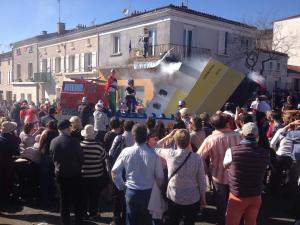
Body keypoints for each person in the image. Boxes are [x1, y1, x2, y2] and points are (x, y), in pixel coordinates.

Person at [111, 123, 164, 225]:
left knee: (131, 221)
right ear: (146, 136)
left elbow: (114, 171)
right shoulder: (154, 154)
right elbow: (160, 177)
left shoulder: (126, 151)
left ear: (133, 136)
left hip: (131, 192)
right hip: (149, 193)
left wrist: (122, 186)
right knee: (147, 221)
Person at [156, 129, 207, 225]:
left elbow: (154, 147)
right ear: (189, 141)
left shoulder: (170, 154)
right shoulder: (196, 158)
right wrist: (203, 196)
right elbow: (201, 179)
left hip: (174, 196)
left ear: (176, 141)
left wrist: (168, 136)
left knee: (173, 221)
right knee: (189, 222)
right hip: (192, 197)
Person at [197, 113, 241, 225]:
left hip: (218, 175)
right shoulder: (237, 135)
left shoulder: (211, 139)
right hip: (236, 175)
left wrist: (206, 169)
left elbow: (198, 157)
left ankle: (223, 221)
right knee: (235, 201)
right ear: (226, 122)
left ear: (212, 125)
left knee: (221, 203)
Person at [223, 122, 269, 225]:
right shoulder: (265, 153)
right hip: (256, 195)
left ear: (242, 134)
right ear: (257, 137)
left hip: (237, 196)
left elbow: (226, 166)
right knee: (251, 222)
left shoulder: (232, 151)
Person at [50, 120, 84, 225]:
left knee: (64, 202)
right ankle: (78, 222)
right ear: (68, 128)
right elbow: (81, 159)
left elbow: (52, 157)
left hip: (60, 175)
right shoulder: (74, 141)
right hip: (75, 175)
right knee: (77, 201)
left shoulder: (53, 141)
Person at [108, 120, 135, 225]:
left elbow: (111, 153)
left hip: (118, 170)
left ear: (123, 127)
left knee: (116, 195)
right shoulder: (135, 139)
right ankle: (125, 218)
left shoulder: (119, 137)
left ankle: (116, 218)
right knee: (127, 196)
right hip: (130, 171)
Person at [80, 125, 107, 220]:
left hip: (83, 175)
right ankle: (93, 213)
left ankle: (83, 213)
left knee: (83, 196)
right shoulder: (98, 146)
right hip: (96, 175)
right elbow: (104, 158)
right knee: (94, 196)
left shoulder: (80, 145)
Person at [38, 120, 59, 208]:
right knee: (52, 178)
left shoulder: (45, 132)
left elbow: (40, 145)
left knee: (44, 178)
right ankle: (52, 197)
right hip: (54, 158)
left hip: (46, 157)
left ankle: (44, 199)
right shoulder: (57, 133)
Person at [0, 121, 20, 204]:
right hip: (8, 162)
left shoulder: (1, 137)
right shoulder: (12, 139)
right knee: (8, 179)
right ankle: (6, 197)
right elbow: (17, 153)